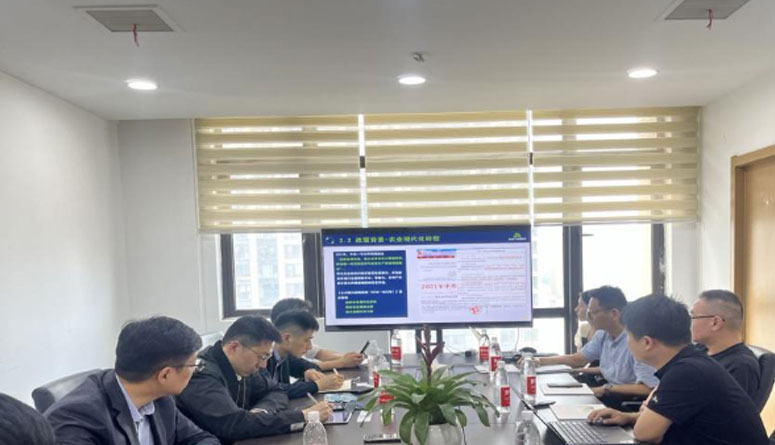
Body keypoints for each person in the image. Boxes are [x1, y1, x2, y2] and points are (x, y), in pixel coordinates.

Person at [588, 294, 768, 445]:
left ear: (647, 342)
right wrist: (627, 416)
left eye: (628, 336)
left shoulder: (686, 371)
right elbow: (664, 416)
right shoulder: (691, 361)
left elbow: (645, 434)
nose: (627, 343)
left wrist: (645, 415)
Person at [45, 316, 219, 445]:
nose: (196, 370)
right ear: (165, 375)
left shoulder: (160, 400)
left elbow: (202, 439)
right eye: (194, 365)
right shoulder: (78, 418)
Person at [176, 315, 332, 444]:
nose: (263, 365)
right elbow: (234, 425)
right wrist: (302, 416)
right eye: (262, 356)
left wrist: (260, 412)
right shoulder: (202, 376)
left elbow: (276, 390)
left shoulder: (243, 366)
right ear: (234, 347)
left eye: (267, 357)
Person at [524, 286, 658, 402]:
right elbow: (579, 359)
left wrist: (605, 389)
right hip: (609, 394)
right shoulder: (603, 334)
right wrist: (538, 361)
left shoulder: (637, 339)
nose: (588, 317)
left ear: (614, 314)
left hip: (626, 402)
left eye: (592, 313)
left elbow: (648, 388)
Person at [691, 289, 760, 400]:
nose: (690, 323)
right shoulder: (701, 349)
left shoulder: (740, 367)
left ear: (715, 323)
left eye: (693, 317)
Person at [266, 310, 344, 398]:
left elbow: (306, 365)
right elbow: (273, 392)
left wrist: (310, 371)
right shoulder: (263, 359)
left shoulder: (284, 355)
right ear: (287, 338)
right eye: (306, 340)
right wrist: (317, 385)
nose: (310, 347)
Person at [270, 298, 364, 370]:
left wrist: (349, 358)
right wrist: (342, 362)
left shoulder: (293, 344)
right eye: (303, 317)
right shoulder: (270, 354)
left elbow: (320, 353)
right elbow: (307, 367)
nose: (309, 346)